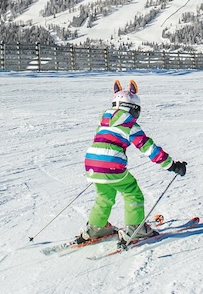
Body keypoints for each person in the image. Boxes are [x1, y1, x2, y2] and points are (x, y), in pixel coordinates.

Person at [77, 79, 187, 245]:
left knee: (104, 195)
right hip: (111, 165)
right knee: (132, 192)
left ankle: (95, 228)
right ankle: (135, 229)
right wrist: (171, 165)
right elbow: (148, 147)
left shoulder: (104, 121)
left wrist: (99, 168)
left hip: (92, 163)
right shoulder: (129, 124)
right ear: (133, 108)